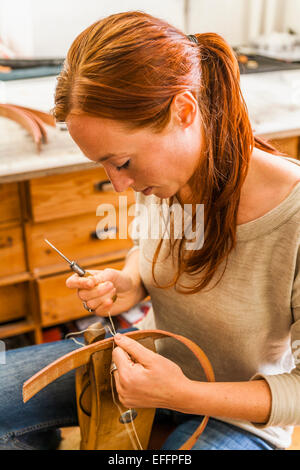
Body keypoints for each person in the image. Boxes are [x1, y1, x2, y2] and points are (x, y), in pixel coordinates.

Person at [1, 11, 300, 451]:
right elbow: (149, 250)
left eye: (122, 163)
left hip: (239, 415)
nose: (119, 184)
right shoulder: (164, 177)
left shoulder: (292, 214)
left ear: (183, 110)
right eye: (103, 165)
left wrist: (180, 393)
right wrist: (129, 282)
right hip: (139, 361)